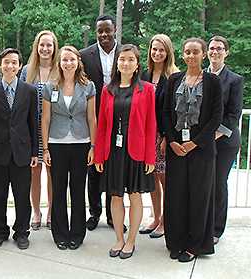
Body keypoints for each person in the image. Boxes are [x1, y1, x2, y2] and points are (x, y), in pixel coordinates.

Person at [94, 44, 156, 259]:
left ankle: (131, 241)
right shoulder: (107, 89)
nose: (126, 63)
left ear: (137, 64)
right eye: (122, 59)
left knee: (135, 195)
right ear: (117, 63)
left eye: (130, 59)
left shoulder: (147, 89)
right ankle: (119, 238)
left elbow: (151, 125)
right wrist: (100, 154)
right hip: (113, 151)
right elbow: (101, 125)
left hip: (136, 150)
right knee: (115, 196)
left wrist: (150, 156)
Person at [164, 38, 223, 262]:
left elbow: (216, 117)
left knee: (199, 197)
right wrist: (172, 141)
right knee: (176, 196)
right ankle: (176, 241)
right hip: (176, 148)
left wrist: (195, 142)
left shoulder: (212, 82)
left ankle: (194, 245)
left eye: (195, 52)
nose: (191, 56)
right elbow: (166, 113)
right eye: (187, 52)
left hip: (202, 149)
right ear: (182, 54)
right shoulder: (174, 79)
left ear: (204, 55)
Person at [0, 48, 38, 250]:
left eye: (14, 62)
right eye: (6, 62)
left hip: (22, 153)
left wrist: (34, 152)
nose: (10, 66)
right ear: (0, 64)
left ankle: (22, 231)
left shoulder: (30, 91)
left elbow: (34, 123)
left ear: (20, 66)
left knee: (22, 195)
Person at [42, 46, 96, 250]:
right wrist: (45, 148)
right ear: (59, 62)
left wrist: (93, 146)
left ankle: (77, 234)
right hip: (56, 144)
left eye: (71, 59)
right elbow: (46, 119)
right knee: (58, 190)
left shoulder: (89, 87)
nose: (68, 63)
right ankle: (60, 234)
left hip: (81, 144)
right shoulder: (50, 87)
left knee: (77, 190)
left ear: (78, 61)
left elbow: (92, 117)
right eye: (64, 60)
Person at [80, 15, 119, 230]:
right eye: (100, 31)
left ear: (115, 30)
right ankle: (94, 213)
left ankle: (114, 216)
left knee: (114, 168)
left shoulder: (125, 53)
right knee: (93, 169)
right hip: (92, 119)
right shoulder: (85, 55)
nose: (104, 34)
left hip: (118, 119)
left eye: (107, 30)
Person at [139, 34, 179, 238]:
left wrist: (166, 136)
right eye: (154, 49)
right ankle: (155, 217)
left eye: (161, 50)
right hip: (146, 135)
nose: (157, 53)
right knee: (152, 178)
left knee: (165, 179)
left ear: (168, 52)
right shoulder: (144, 75)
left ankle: (166, 221)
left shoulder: (173, 76)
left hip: (162, 135)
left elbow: (173, 111)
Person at [206, 35, 243, 245]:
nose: (215, 52)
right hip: (203, 141)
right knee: (204, 183)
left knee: (218, 183)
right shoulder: (201, 76)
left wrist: (212, 135)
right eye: (212, 48)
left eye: (219, 48)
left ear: (226, 52)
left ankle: (216, 230)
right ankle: (203, 223)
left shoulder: (235, 80)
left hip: (225, 142)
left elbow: (233, 115)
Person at [20, 30, 59, 230]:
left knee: (52, 173)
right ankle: (36, 211)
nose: (45, 49)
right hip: (31, 130)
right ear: (36, 47)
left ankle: (52, 211)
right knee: (34, 173)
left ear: (54, 48)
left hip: (53, 129)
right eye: (42, 45)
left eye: (49, 45)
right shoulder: (27, 71)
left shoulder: (60, 70)